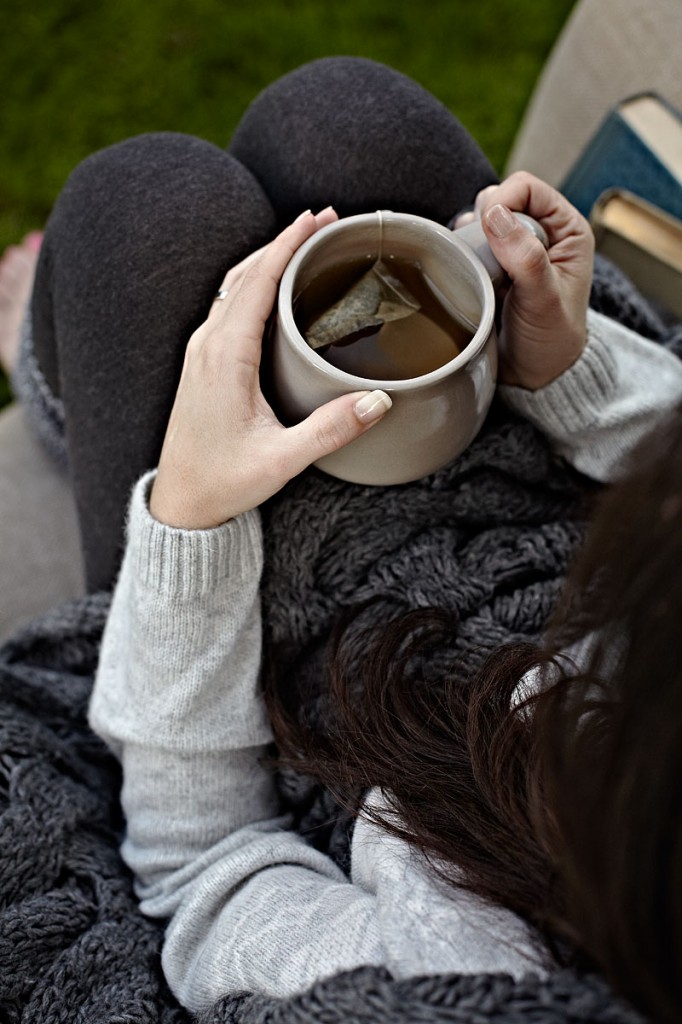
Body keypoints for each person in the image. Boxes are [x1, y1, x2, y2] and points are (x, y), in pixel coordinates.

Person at [4, 57, 681, 1023]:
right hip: (553, 500)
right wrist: (571, 368)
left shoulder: (462, 974)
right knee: (344, 120)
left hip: (278, 654)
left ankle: (52, 392)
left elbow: (207, 871)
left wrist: (192, 517)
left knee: (144, 206)